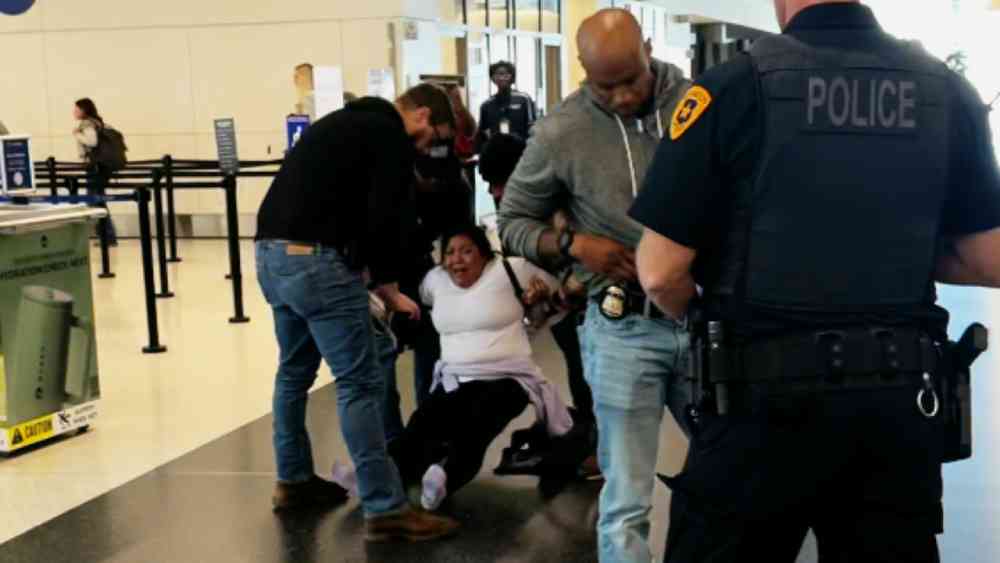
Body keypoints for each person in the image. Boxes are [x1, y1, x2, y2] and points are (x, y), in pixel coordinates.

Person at [630, 1, 1000, 561]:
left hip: (757, 408)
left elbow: (659, 273)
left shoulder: (730, 89)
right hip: (897, 410)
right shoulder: (947, 92)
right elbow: (986, 259)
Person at [498, 9, 691, 562]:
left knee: (735, 480)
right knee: (626, 499)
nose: (624, 97)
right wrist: (575, 247)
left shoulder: (698, 107)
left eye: (631, 79)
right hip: (623, 329)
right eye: (606, 87)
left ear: (649, 50)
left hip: (705, 321)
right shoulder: (561, 131)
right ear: (583, 71)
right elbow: (512, 221)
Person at [254, 84, 460, 542]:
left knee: (293, 373)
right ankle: (385, 508)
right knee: (360, 381)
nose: (429, 148)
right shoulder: (387, 134)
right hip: (316, 262)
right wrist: (388, 288)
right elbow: (385, 217)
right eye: (434, 137)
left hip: (270, 255)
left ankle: (292, 481)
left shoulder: (341, 124)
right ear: (422, 116)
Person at [335, 224, 575, 511]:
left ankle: (445, 478)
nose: (456, 260)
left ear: (484, 254)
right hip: (454, 378)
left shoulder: (513, 269)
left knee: (474, 427)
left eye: (466, 251)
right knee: (421, 426)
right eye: (449, 252)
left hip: (508, 377)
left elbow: (565, 297)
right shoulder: (434, 281)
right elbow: (407, 301)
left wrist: (539, 303)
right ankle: (374, 479)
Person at [480, 133, 597, 452]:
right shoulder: (520, 212)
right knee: (578, 364)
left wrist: (556, 295)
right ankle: (591, 437)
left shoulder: (559, 205)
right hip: (564, 304)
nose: (494, 191)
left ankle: (598, 446)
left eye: (498, 182)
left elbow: (581, 259)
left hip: (586, 301)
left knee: (587, 367)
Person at [73, 98, 117, 246]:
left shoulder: (87, 124)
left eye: (76, 109)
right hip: (99, 167)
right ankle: (106, 235)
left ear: (84, 110)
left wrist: (77, 134)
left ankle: (108, 236)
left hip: (94, 168)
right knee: (97, 200)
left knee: (96, 201)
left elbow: (92, 142)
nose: (74, 112)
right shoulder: (96, 122)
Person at [475, 61, 537, 152]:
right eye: (497, 74)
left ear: (512, 77)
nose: (501, 78)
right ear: (492, 78)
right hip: (496, 154)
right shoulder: (486, 105)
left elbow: (532, 128)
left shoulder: (524, 99)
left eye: (505, 74)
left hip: (520, 152)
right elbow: (482, 134)